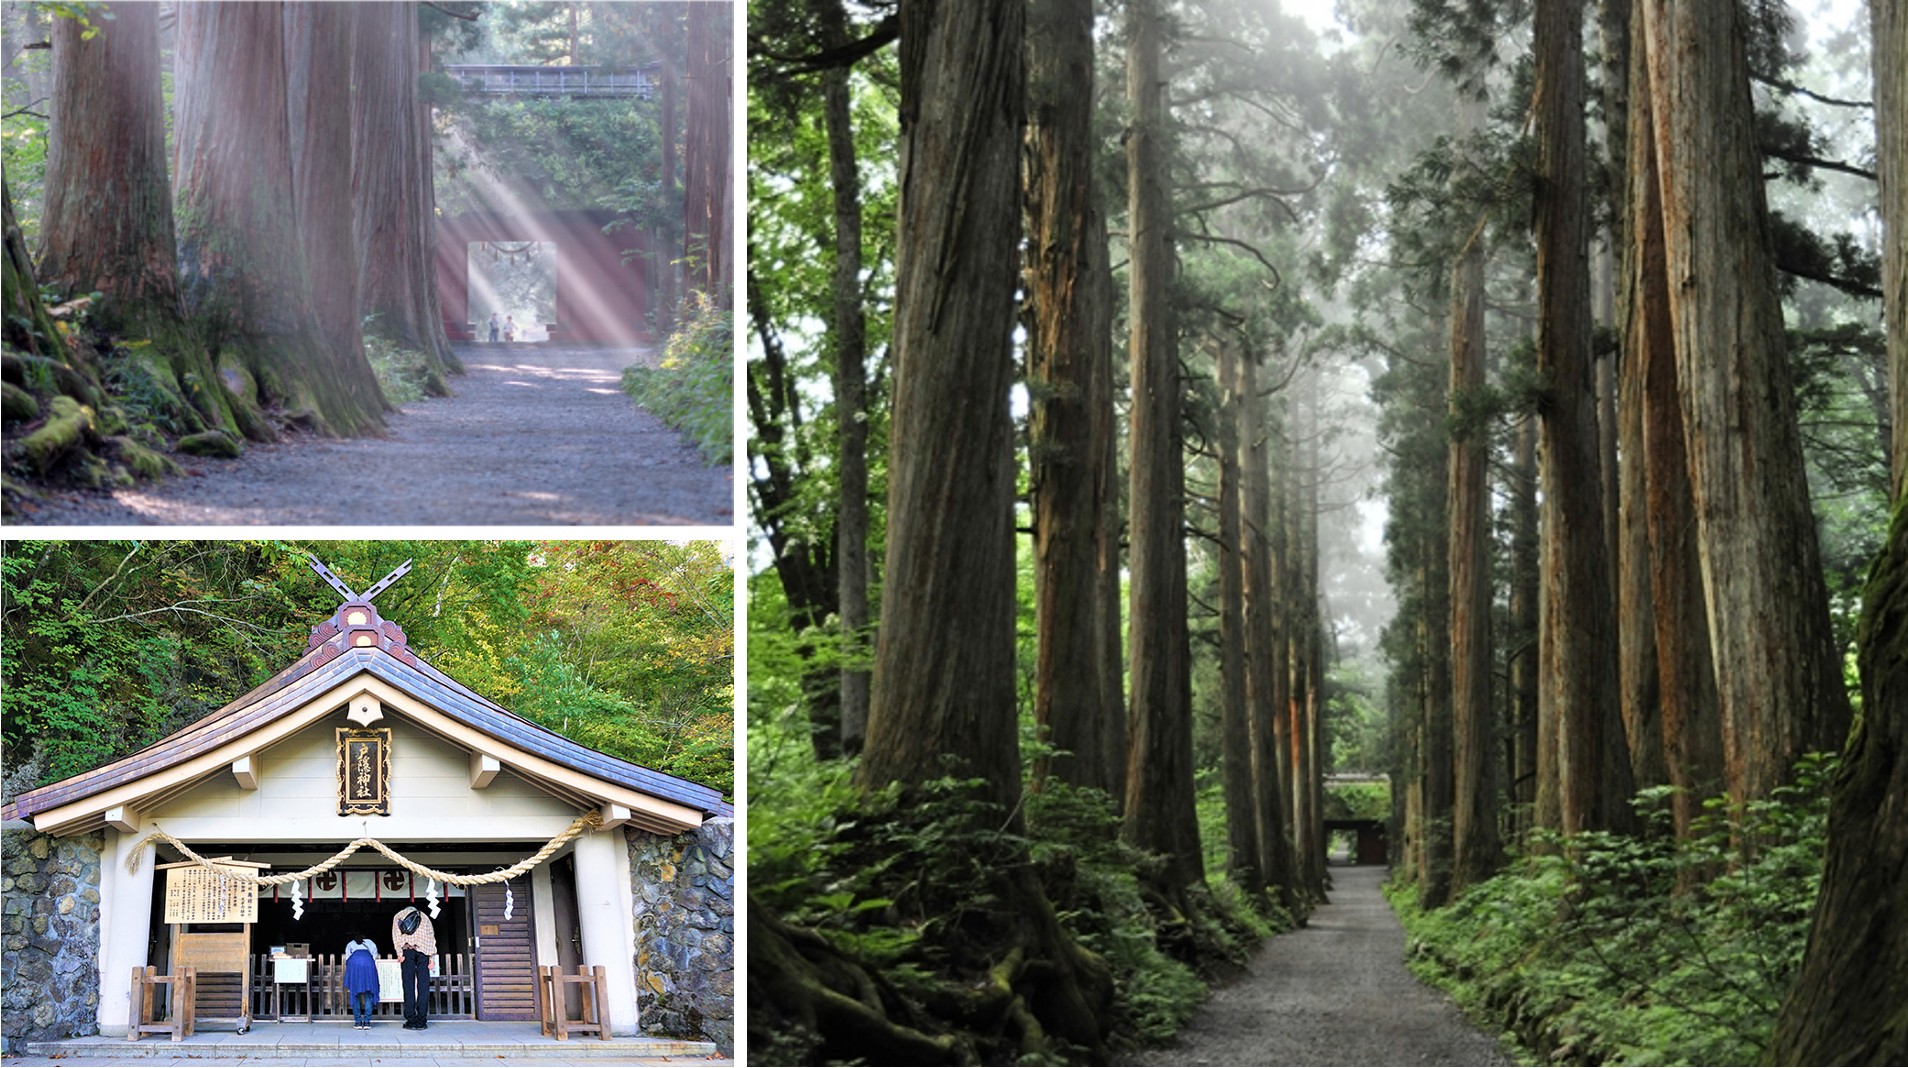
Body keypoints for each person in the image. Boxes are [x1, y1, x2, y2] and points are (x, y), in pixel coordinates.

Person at [391, 905, 436, 1030]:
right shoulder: (424, 916)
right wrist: (431, 956)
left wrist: (399, 953)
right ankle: (422, 1020)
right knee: (423, 986)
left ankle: (411, 1020)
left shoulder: (399, 915)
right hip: (423, 953)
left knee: (408, 986)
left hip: (407, 951)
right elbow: (430, 936)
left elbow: (396, 936)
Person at [342, 931, 379, 1030]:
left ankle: (358, 1022)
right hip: (368, 966)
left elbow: (348, 958)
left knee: (355, 994)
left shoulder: (350, 944)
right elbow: (374, 956)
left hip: (354, 967)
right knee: (368, 994)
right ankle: (367, 1022)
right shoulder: (370, 943)